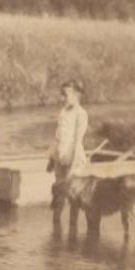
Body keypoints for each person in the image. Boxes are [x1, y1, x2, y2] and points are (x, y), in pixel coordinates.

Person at [47, 79, 89, 215]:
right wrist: (51, 158)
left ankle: (73, 227)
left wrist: (73, 165)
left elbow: (77, 141)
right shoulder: (63, 111)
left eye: (66, 94)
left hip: (74, 157)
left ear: (76, 95)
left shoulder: (81, 114)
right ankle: (56, 225)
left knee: (73, 194)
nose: (62, 98)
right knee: (59, 192)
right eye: (62, 94)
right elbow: (57, 136)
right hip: (60, 156)